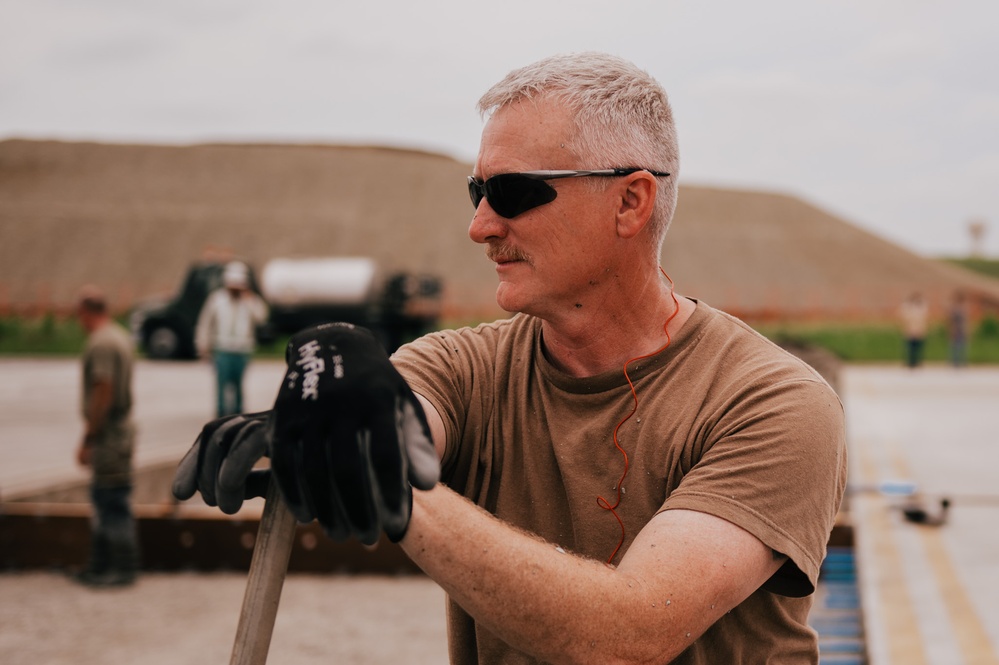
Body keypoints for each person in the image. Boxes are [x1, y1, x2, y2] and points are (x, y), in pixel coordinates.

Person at [175, 53, 847, 664]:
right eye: (477, 193)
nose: (480, 225)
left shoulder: (773, 402)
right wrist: (343, 395)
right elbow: (405, 416)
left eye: (514, 192)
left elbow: (630, 633)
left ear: (630, 200)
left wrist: (392, 479)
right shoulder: (464, 368)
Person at [75, 285, 140, 586]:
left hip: (109, 433)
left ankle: (122, 567)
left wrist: (89, 436)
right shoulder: (118, 335)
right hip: (120, 431)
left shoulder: (101, 343)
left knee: (111, 501)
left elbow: (103, 389)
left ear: (86, 312)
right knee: (107, 497)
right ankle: (100, 566)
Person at [195, 261, 268, 417]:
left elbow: (262, 317)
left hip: (242, 350)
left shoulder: (249, 301)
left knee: (238, 386)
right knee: (221, 386)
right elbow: (205, 324)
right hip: (222, 349)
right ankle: (221, 415)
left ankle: (238, 415)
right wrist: (203, 346)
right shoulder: (217, 299)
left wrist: (250, 299)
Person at [899, 291, 930, 368]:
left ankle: (917, 361)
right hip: (910, 330)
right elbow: (903, 314)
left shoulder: (920, 308)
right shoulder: (909, 308)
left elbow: (924, 311)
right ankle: (910, 361)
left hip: (919, 330)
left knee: (918, 348)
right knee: (910, 348)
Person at [947, 290, 970, 367]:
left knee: (963, 347)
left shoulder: (964, 308)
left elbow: (966, 321)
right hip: (956, 329)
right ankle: (955, 362)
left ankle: (963, 362)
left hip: (962, 329)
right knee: (955, 347)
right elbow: (951, 320)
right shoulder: (954, 308)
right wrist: (952, 329)